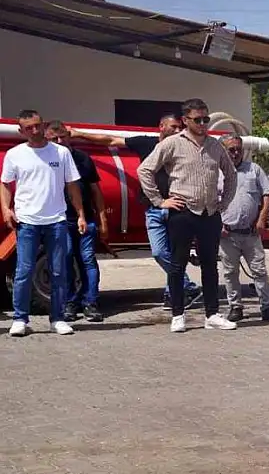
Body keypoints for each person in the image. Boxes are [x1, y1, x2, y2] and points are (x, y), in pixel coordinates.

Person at [71, 114, 202, 309]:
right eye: (173, 127)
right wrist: (79, 134)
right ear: (161, 126)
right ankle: (186, 285)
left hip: (178, 208)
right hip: (154, 208)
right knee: (159, 252)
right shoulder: (145, 144)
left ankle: (173, 293)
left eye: (179, 127)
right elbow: (111, 140)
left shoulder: (184, 147)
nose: (177, 131)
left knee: (173, 253)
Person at [137, 98, 238, 333]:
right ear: (185, 120)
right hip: (182, 212)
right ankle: (178, 314)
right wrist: (160, 201)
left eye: (206, 119)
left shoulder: (215, 145)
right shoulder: (172, 143)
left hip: (210, 212)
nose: (203, 124)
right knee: (177, 264)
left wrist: (224, 204)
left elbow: (231, 175)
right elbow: (145, 170)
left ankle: (212, 314)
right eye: (198, 120)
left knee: (210, 266)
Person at [1, 109, 84, 336]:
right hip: (27, 221)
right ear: (21, 131)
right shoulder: (14, 154)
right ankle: (20, 319)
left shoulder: (60, 153)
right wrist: (6, 209)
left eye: (37, 125)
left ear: (43, 124)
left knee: (58, 271)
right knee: (24, 271)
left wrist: (81, 214)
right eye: (29, 128)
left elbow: (72, 185)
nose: (35, 131)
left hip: (56, 220)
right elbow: (6, 184)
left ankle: (57, 319)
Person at [44, 121, 109, 323]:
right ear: (47, 139)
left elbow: (95, 190)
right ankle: (70, 303)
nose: (60, 141)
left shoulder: (82, 159)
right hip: (59, 220)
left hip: (85, 220)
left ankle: (91, 302)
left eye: (63, 136)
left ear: (69, 136)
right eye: (54, 138)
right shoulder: (45, 160)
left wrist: (102, 219)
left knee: (87, 260)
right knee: (66, 260)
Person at [217, 135, 269, 323]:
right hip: (227, 234)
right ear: (222, 151)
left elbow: (268, 195)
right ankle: (235, 307)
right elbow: (209, 201)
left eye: (239, 149)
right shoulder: (215, 173)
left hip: (251, 233)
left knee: (259, 271)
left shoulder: (254, 170)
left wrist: (261, 218)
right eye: (231, 149)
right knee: (230, 273)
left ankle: (267, 306)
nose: (236, 153)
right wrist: (217, 225)